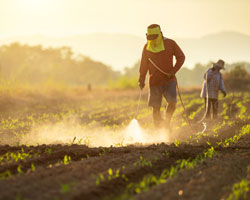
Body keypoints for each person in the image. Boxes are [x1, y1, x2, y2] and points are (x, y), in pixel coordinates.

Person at [138, 24, 185, 128]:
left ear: (160, 34)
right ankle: (157, 131)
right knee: (155, 107)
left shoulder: (170, 43)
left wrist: (173, 71)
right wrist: (141, 79)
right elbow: (143, 66)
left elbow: (181, 57)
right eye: (150, 38)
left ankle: (166, 123)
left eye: (154, 37)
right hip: (154, 81)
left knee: (172, 103)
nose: (152, 40)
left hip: (169, 80)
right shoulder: (146, 47)